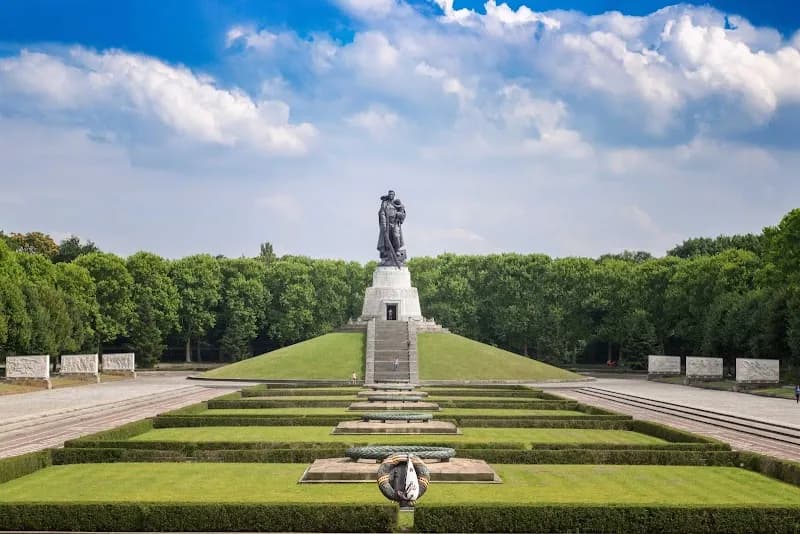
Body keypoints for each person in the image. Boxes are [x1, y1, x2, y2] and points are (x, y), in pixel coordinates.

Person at [377, 190, 407, 266]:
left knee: (396, 236)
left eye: (392, 194)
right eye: (389, 194)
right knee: (387, 239)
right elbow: (382, 212)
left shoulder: (397, 203)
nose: (391, 195)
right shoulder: (385, 203)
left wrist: (398, 214)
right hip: (387, 224)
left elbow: (403, 213)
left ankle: (397, 251)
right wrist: (383, 223)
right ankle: (388, 255)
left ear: (394, 195)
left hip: (395, 223)